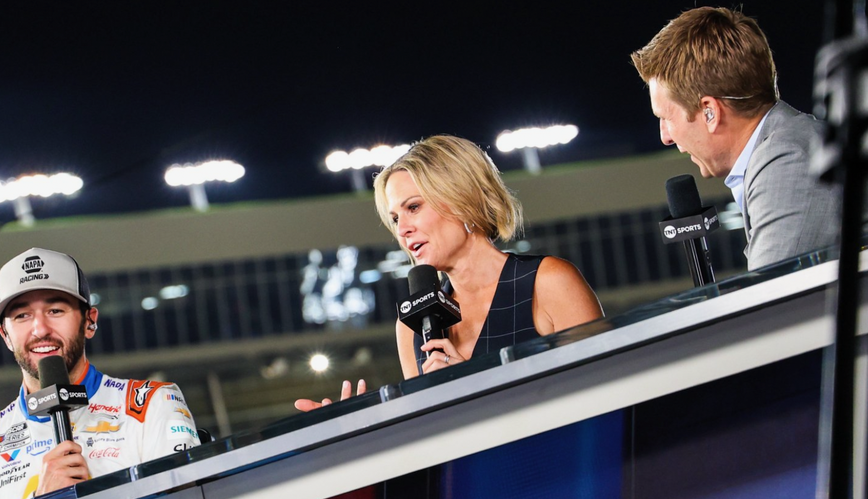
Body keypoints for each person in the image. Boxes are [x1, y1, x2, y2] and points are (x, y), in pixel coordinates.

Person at [295, 135, 603, 410]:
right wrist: (355, 430)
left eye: (413, 207)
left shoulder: (548, 283)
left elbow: (605, 396)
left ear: (461, 200)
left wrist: (474, 385)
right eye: (394, 218)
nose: (402, 229)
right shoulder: (410, 328)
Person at [0, 247, 200, 499]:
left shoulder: (152, 404)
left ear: (90, 322)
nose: (40, 329)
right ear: (5, 335)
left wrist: (97, 498)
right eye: (22, 316)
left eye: (55, 310)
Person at [632, 7, 840, 271]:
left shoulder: (787, 160)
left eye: (666, 117)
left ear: (710, 112)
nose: (665, 137)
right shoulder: (786, 147)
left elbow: (772, 306)